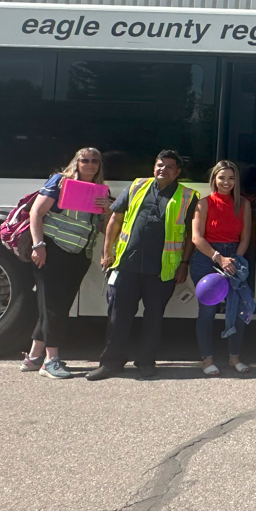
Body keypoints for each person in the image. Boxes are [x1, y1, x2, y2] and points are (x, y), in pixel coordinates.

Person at [87, 150, 198, 380]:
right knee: (118, 315)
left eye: (169, 166)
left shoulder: (188, 196)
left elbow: (190, 235)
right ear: (153, 167)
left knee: (154, 318)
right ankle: (111, 363)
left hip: (162, 269)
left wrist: (184, 264)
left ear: (177, 172)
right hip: (127, 264)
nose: (162, 169)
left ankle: (146, 361)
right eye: (159, 164)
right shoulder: (137, 186)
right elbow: (116, 219)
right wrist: (107, 252)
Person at [21, 147, 111, 378]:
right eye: (85, 160)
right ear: (76, 162)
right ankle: (50, 362)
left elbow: (101, 228)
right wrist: (38, 245)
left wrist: (108, 210)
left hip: (79, 255)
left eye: (94, 161)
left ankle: (33, 357)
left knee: (56, 306)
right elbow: (36, 213)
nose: (90, 164)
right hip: (52, 252)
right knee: (53, 307)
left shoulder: (102, 191)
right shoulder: (60, 182)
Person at [190, 160, 253, 376]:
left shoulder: (243, 204)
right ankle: (207, 359)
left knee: (238, 310)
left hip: (233, 257)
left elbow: (245, 237)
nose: (226, 182)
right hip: (207, 258)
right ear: (214, 179)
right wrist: (219, 258)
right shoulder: (204, 203)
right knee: (207, 312)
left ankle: (234, 357)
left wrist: (236, 260)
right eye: (222, 177)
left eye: (231, 178)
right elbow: (196, 238)